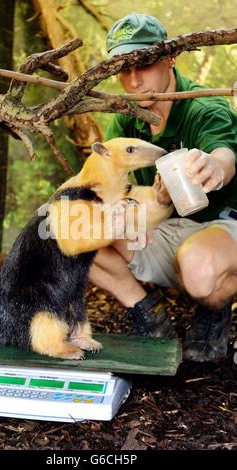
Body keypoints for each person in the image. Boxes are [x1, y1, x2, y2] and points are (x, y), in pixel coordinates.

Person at [89, 13, 237, 362]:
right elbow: (113, 192)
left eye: (145, 64)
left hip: (221, 227)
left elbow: (224, 155)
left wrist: (215, 166)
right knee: (72, 232)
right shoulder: (126, 120)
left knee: (199, 272)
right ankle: (144, 308)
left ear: (170, 59)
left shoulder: (203, 106)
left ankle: (214, 307)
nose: (135, 81)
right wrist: (147, 202)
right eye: (124, 68)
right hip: (166, 228)